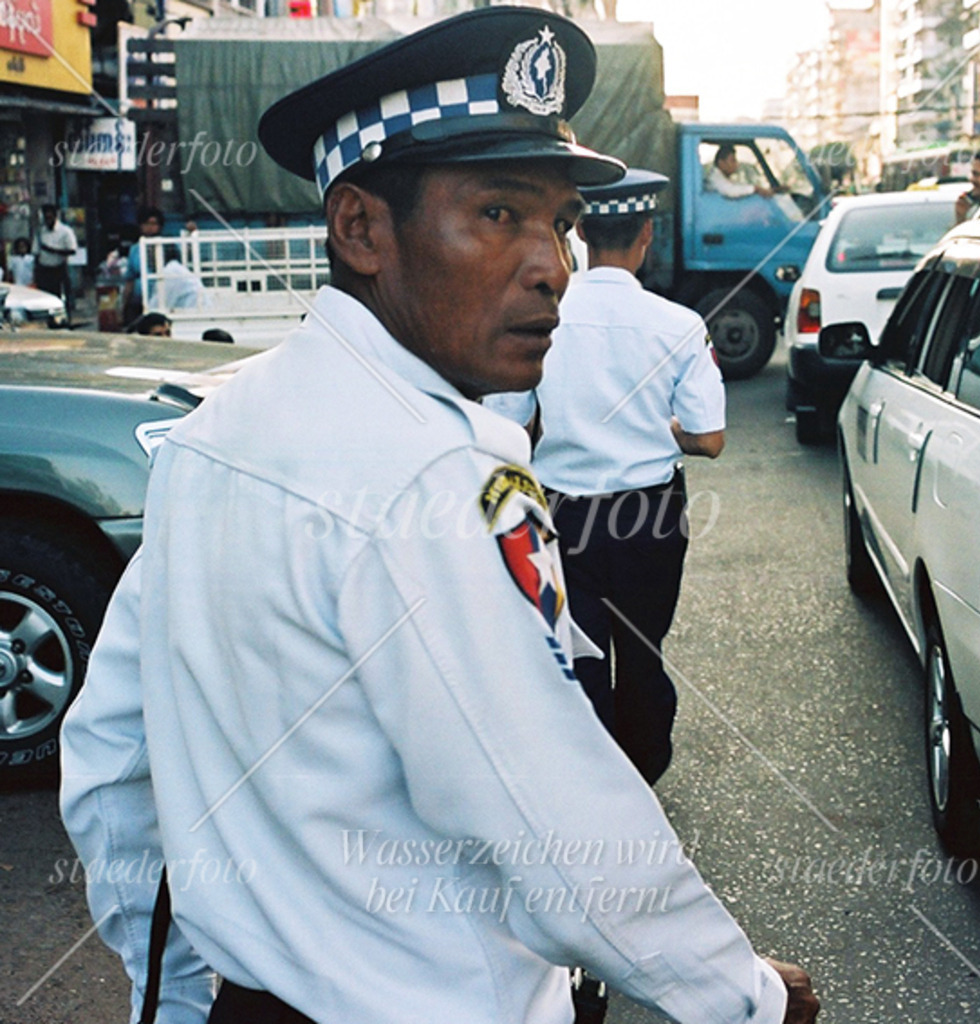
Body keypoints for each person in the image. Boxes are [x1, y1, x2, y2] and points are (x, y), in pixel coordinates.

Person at [60, 9, 819, 1024]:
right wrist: (749, 999)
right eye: (499, 214)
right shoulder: (442, 473)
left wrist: (184, 995)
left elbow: (113, 756)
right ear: (361, 228)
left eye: (561, 221)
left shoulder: (214, 429)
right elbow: (557, 818)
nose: (552, 262)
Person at [488, 169, 725, 788]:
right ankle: (644, 778)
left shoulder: (544, 316)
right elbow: (709, 440)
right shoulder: (678, 324)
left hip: (564, 513)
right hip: (650, 514)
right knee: (643, 655)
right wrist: (661, 430)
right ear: (647, 234)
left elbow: (506, 427)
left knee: (580, 656)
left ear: (583, 234)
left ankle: (594, 786)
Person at [123, 206, 165, 324]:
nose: (150, 227)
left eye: (153, 224)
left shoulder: (167, 246)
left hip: (161, 298)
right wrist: (124, 304)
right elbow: (130, 279)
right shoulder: (135, 249)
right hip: (139, 301)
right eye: (146, 223)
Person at [34, 204, 77, 301]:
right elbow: (36, 252)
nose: (48, 220)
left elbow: (72, 250)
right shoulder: (40, 232)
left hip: (59, 269)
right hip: (44, 270)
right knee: (44, 297)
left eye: (50, 217)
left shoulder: (65, 231)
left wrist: (53, 250)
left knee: (61, 298)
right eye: (45, 218)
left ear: (55, 216)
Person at [707, 143, 776, 199]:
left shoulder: (723, 177)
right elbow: (731, 191)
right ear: (721, 163)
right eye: (733, 160)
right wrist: (755, 189)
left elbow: (738, 187)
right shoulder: (715, 178)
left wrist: (768, 190)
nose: (736, 164)